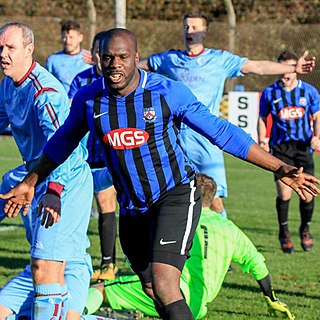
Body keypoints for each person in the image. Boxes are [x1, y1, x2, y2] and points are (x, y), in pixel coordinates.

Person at [1, 28, 319, 320]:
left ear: (137, 58)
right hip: (132, 208)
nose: (115, 65)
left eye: (123, 57)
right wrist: (31, 182)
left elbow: (222, 132)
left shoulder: (166, 92)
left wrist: (279, 167)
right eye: (108, 57)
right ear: (98, 59)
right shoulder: (89, 99)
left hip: (176, 194)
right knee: (152, 289)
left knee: (166, 284)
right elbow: (60, 144)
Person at [138, 11, 317, 220]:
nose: (189, 31)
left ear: (205, 32)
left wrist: (292, 67)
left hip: (206, 135)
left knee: (213, 198)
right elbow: (138, 66)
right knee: (167, 195)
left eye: (195, 27)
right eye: (186, 27)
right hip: (173, 137)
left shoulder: (219, 60)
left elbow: (256, 67)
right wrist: (107, 65)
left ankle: (223, 241)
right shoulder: (170, 59)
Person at [83, 173, 295, 320]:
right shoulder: (229, 228)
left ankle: (73, 314)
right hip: (198, 306)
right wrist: (271, 299)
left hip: (169, 293)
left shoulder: (176, 219)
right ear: (212, 201)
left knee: (100, 289)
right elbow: (257, 262)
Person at [0, 21, 94, 320]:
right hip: (33, 175)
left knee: (46, 266)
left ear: (29, 50)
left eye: (10, 47)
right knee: (44, 265)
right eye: (0, 47)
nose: (3, 53)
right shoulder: (7, 84)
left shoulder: (46, 92)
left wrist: (54, 191)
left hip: (64, 180)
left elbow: (66, 146)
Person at [258, 50, 320, 254]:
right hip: (280, 149)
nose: (286, 74)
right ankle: (284, 232)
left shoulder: (309, 92)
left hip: (303, 148)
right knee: (284, 193)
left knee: (307, 195)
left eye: (290, 70)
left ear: (297, 71)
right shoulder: (270, 93)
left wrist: (317, 136)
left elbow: (317, 116)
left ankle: (305, 229)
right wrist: (263, 140)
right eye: (283, 69)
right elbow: (262, 118)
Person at [69, 31, 118, 281]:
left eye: (106, 53)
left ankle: (108, 264)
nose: (102, 58)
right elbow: (71, 116)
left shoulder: (118, 82)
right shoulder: (81, 81)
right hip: (81, 156)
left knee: (106, 204)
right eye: (98, 53)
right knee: (74, 208)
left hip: (108, 155)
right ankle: (71, 260)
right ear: (93, 55)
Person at [45, 19, 91, 93]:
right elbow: (46, 85)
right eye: (64, 37)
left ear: (80, 38)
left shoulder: (90, 58)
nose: (67, 41)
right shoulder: (53, 60)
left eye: (71, 37)